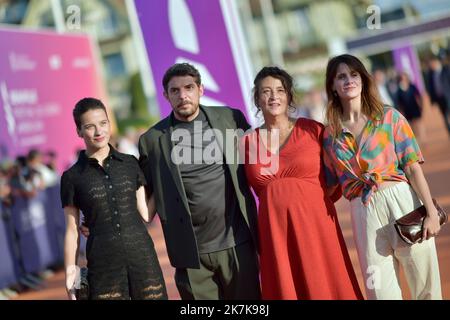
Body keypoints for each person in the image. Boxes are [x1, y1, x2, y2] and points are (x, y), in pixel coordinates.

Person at [322, 54, 442, 300]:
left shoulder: (390, 117)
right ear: (332, 86)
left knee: (425, 287)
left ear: (363, 80)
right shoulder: (329, 135)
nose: (349, 81)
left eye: (354, 74)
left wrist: (430, 212)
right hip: (362, 211)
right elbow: (327, 182)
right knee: (378, 292)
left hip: (402, 201)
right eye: (341, 77)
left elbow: (412, 167)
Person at [137, 63, 261, 300]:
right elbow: (146, 197)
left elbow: (260, 161)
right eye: (175, 91)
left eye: (189, 87)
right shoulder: (152, 140)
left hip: (237, 243)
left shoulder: (231, 119)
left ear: (201, 89)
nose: (183, 95)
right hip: (190, 255)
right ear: (166, 96)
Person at [242, 66, 363, 300]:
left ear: (289, 96)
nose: (274, 96)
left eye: (280, 90)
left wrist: (306, 200)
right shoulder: (246, 143)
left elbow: (337, 177)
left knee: (326, 284)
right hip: (275, 234)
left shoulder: (313, 130)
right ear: (257, 99)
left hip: (317, 226)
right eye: (266, 91)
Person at [61, 98, 167, 300]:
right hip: (103, 266)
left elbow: (145, 213)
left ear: (110, 123)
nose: (99, 131)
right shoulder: (72, 177)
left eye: (103, 123)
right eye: (90, 126)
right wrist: (71, 274)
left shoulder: (129, 163)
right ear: (79, 131)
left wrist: (163, 180)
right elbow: (72, 230)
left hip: (143, 258)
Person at [396, 72, 426, 143]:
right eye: (401, 77)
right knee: (411, 124)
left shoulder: (412, 86)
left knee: (418, 122)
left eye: (404, 77)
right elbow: (399, 101)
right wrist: (401, 111)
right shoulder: (399, 89)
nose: (403, 78)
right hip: (407, 109)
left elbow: (419, 96)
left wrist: (421, 105)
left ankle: (422, 137)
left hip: (415, 107)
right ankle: (416, 138)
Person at [425, 57, 450, 135]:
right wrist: (432, 100)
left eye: (432, 63)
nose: (431, 65)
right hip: (440, 99)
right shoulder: (431, 74)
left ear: (436, 62)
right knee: (444, 116)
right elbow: (430, 89)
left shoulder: (446, 70)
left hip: (448, 97)